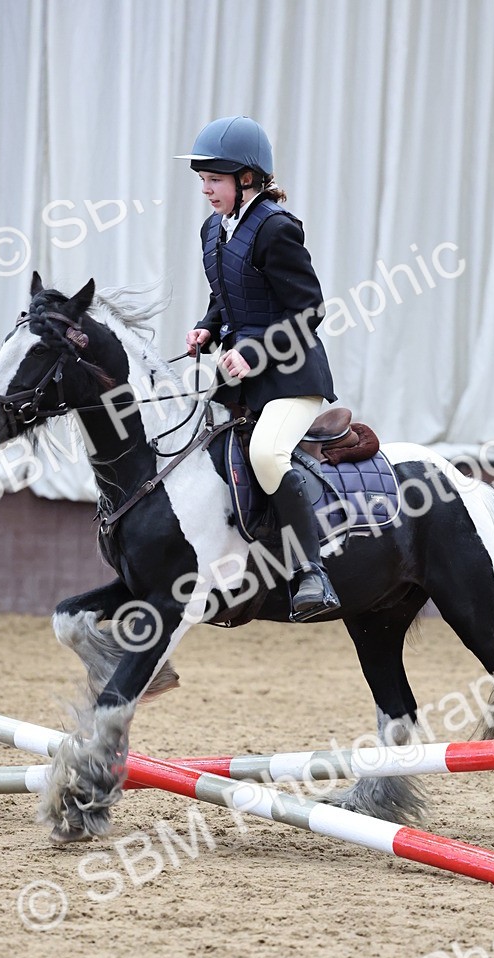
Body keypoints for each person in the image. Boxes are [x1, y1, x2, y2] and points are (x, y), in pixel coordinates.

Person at [177, 116, 340, 621]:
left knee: (268, 455)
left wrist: (253, 352)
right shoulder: (213, 229)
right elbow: (228, 294)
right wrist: (207, 326)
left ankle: (313, 572)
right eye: (202, 179)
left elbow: (310, 312)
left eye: (215, 180)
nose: (206, 189)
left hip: (292, 376)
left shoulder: (276, 228)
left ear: (247, 179)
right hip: (240, 379)